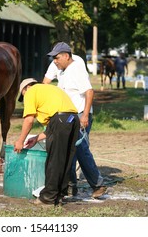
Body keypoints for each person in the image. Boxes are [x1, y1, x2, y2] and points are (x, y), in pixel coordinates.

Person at [43, 42, 107, 199]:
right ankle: (70, 186)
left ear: (66, 56)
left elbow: (89, 92)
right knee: (68, 150)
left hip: (79, 115)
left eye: (57, 58)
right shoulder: (63, 71)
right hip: (69, 116)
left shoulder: (76, 69)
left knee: (80, 149)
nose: (55, 61)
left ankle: (97, 185)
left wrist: (85, 115)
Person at [14, 78, 80, 206]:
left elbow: (29, 120)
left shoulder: (31, 92)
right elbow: (55, 125)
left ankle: (48, 198)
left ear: (26, 88)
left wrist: (20, 141)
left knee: (54, 161)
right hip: (73, 119)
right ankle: (59, 195)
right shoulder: (50, 89)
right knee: (65, 160)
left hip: (60, 120)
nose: (25, 98)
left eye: (23, 94)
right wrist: (36, 138)